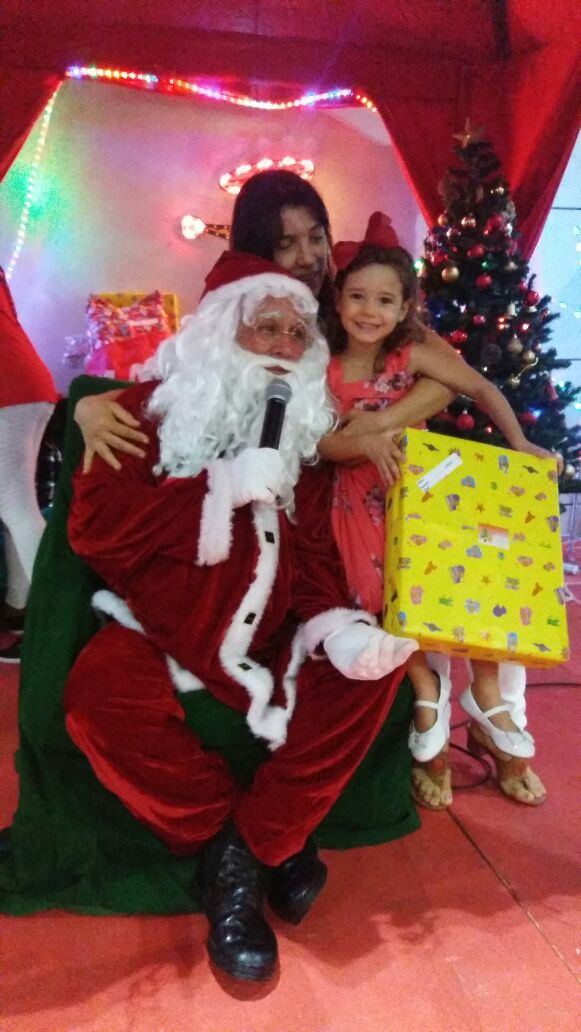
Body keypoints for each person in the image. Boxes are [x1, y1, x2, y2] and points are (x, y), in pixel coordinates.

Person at [63, 249, 418, 982]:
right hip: (159, 631)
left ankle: (244, 851)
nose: (284, 344)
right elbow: (96, 531)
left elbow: (312, 557)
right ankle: (240, 840)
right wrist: (217, 487)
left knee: (374, 673)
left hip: (270, 639)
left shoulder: (305, 442)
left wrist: (336, 628)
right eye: (266, 327)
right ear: (224, 329)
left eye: (298, 333)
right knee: (97, 701)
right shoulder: (139, 415)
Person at [319, 212, 561, 811]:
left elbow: (479, 387)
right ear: (338, 299)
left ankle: (485, 695)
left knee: (465, 578)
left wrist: (521, 443)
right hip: (360, 499)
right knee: (380, 593)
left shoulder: (410, 353)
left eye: (384, 300)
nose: (369, 311)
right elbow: (323, 443)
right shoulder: (324, 366)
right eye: (357, 297)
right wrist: (365, 438)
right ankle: (425, 684)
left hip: (426, 491)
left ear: (405, 307)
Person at [73, 170, 454, 472]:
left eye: (316, 238)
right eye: (286, 245)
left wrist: (382, 421)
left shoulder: (353, 306)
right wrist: (86, 407)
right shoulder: (239, 312)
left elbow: (450, 375)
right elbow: (180, 384)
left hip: (349, 479)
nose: (308, 257)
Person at [0, 267, 58, 663]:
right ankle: (20, 605)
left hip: (8, 387)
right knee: (16, 506)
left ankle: (54, 626)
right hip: (29, 381)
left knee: (15, 507)